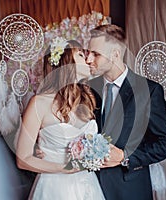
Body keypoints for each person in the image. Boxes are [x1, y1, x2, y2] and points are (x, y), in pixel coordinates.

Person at [86, 24, 166, 200]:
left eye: (95, 54)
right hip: (90, 187)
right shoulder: (88, 89)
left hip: (129, 190)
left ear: (115, 54)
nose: (88, 59)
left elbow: (165, 143)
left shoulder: (149, 91)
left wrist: (124, 157)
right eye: (88, 53)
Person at [16, 38, 105, 200]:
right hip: (55, 187)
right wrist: (63, 168)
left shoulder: (87, 99)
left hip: (87, 185)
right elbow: (22, 159)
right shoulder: (39, 103)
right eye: (80, 55)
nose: (87, 59)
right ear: (66, 63)